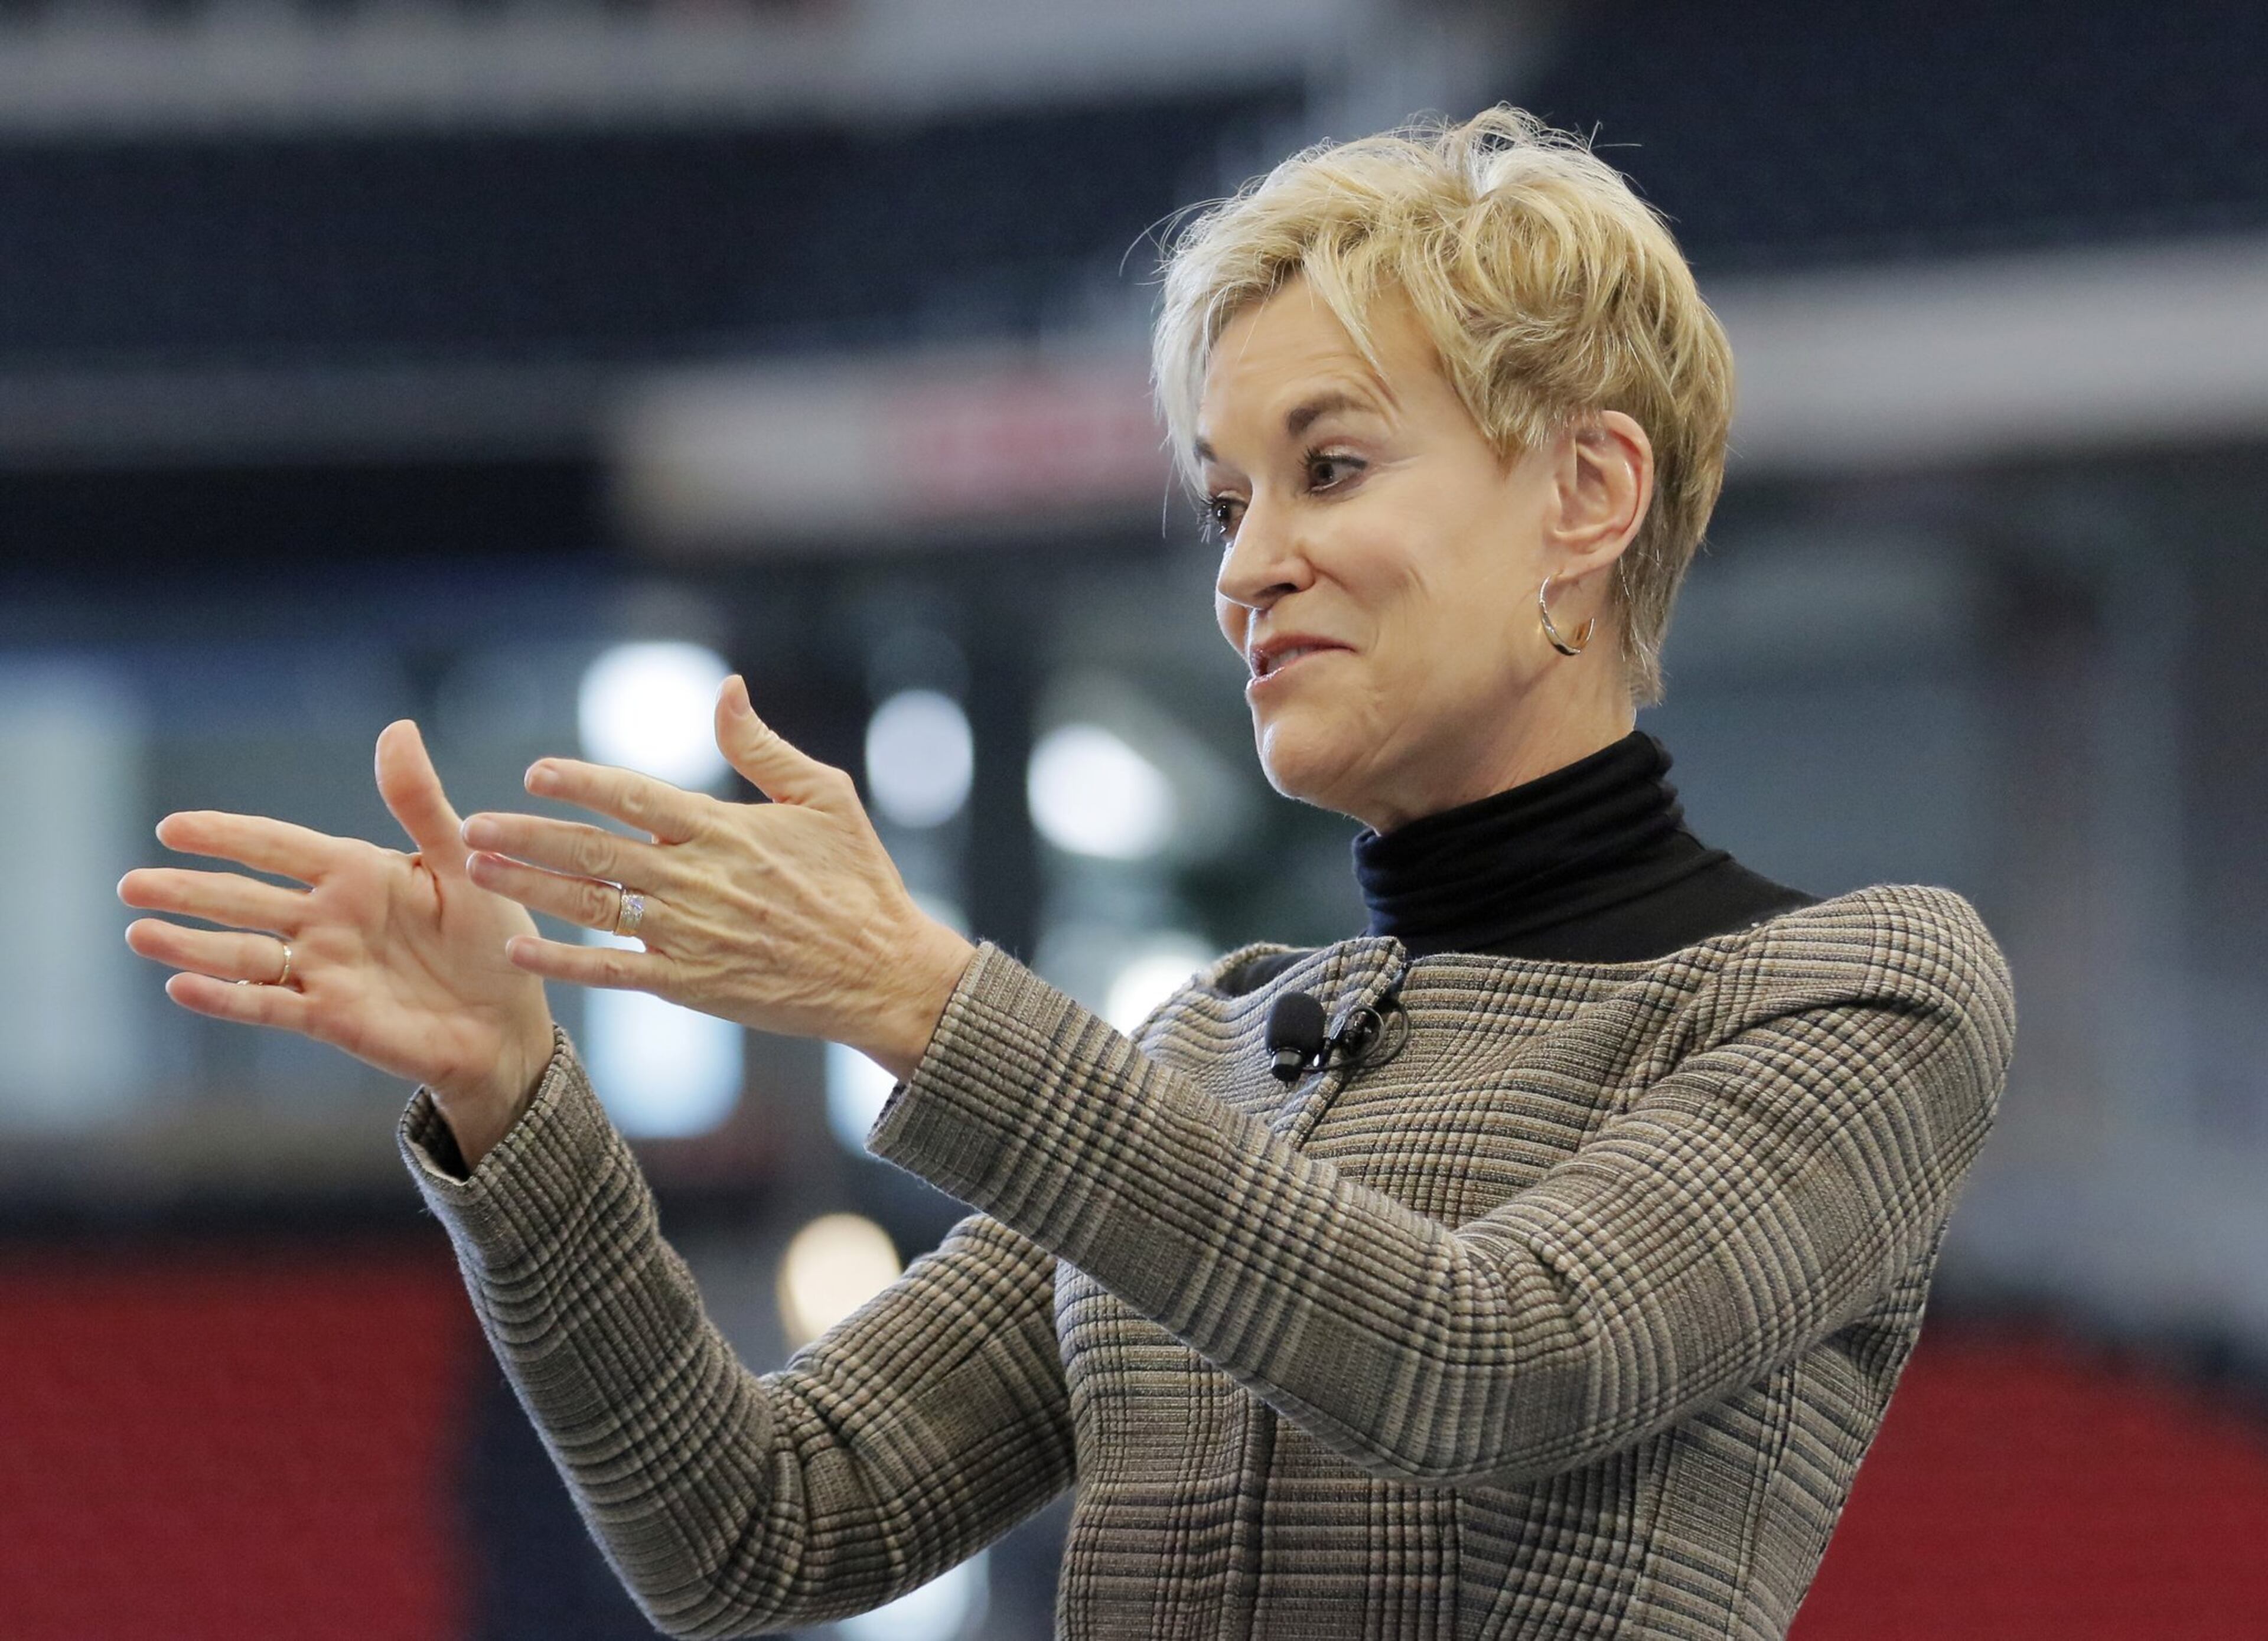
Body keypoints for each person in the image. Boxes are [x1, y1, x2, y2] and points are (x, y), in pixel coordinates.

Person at [119, 109, 2015, 1639]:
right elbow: (762, 1534)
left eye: (1330, 466)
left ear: (1588, 496)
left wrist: (918, 998)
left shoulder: (1854, 988)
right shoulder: (1212, 1046)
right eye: (1225, 498)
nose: (1246, 563)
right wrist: (516, 1101)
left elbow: (1489, 1361)